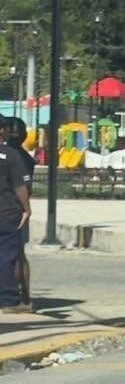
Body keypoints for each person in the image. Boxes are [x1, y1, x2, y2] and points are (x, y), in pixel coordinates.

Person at [0, 115, 31, 313]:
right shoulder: (10, 155)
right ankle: (9, 299)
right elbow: (20, 185)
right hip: (7, 212)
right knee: (8, 256)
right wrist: (27, 208)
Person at [7, 117, 35, 311]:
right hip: (19, 210)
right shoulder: (25, 157)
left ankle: (21, 297)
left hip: (13, 210)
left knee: (14, 257)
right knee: (19, 256)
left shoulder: (10, 155)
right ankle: (24, 297)